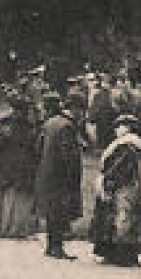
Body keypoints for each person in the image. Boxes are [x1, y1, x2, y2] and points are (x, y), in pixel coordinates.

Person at [90, 114, 141, 266]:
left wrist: (108, 181)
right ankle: (120, 253)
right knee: (123, 218)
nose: (117, 129)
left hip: (122, 187)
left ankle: (122, 254)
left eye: (119, 126)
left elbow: (119, 168)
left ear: (127, 128)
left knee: (122, 219)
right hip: (129, 186)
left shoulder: (126, 146)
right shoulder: (128, 145)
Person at [36, 92, 84, 260]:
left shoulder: (50, 122)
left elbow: (39, 147)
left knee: (52, 210)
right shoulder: (67, 126)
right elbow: (67, 155)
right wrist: (71, 174)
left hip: (46, 173)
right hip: (60, 175)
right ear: (75, 109)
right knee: (60, 211)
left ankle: (51, 246)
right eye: (81, 110)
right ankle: (57, 247)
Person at [0, 99, 40, 238]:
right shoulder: (30, 127)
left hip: (8, 164)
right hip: (23, 164)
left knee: (6, 194)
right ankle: (17, 227)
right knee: (19, 195)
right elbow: (35, 148)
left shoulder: (6, 125)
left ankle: (4, 226)